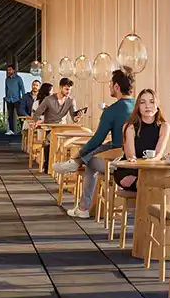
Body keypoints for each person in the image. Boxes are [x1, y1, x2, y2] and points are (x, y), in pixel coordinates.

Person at [52, 68, 136, 219]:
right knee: (96, 153)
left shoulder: (111, 111)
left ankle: (83, 206)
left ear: (116, 87)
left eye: (110, 84)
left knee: (90, 162)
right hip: (135, 159)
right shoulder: (139, 106)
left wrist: (81, 152)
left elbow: (97, 139)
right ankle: (75, 164)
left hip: (118, 162)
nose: (109, 87)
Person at [112, 88, 170, 192]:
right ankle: (143, 200)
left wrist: (149, 166)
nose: (147, 106)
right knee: (146, 183)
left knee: (151, 182)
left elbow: (158, 155)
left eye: (152, 102)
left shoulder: (164, 127)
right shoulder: (129, 126)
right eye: (143, 102)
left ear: (157, 106)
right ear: (138, 107)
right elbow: (131, 157)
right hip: (130, 169)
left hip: (152, 169)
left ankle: (145, 202)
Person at [3, 64, 24, 134]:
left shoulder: (18, 79)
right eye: (8, 70)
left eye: (10, 70)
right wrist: (6, 97)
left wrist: (23, 98)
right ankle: (11, 130)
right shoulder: (7, 79)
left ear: (13, 70)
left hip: (17, 99)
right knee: (10, 116)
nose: (8, 71)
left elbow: (22, 89)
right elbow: (6, 89)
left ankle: (23, 130)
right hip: (9, 100)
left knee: (20, 115)